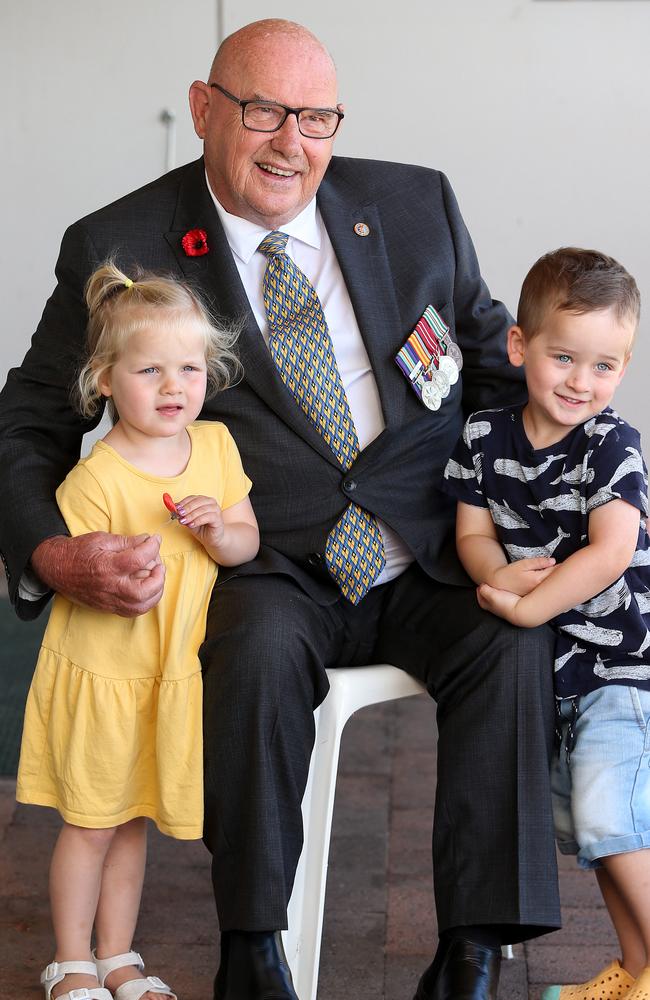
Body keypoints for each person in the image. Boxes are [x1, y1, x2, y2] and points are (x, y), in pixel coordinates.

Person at [0, 18, 561, 1000]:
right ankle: (251, 946)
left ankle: (471, 950)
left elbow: (486, 370)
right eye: (261, 111)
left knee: (510, 645)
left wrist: (531, 520)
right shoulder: (123, 242)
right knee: (253, 649)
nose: (288, 142)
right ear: (207, 111)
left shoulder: (411, 203)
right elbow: (30, 420)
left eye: (314, 117)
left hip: (426, 550)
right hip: (264, 560)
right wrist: (49, 553)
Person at [16, 261, 259, 1000]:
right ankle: (70, 960)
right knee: (91, 823)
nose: (172, 386)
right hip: (105, 676)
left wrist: (221, 531)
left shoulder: (215, 450)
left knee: (132, 824)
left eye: (188, 368)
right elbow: (84, 576)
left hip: (165, 675)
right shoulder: (97, 478)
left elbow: (247, 539)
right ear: (105, 381)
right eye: (149, 369)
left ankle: (117, 955)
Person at [443, 247, 650, 1000]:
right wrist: (494, 573)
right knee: (592, 835)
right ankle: (636, 971)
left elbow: (612, 550)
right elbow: (472, 532)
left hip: (620, 666)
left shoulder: (611, 445)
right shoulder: (485, 439)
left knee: (610, 816)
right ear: (519, 347)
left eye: (604, 366)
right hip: (559, 674)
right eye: (564, 358)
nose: (581, 383)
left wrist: (527, 605)